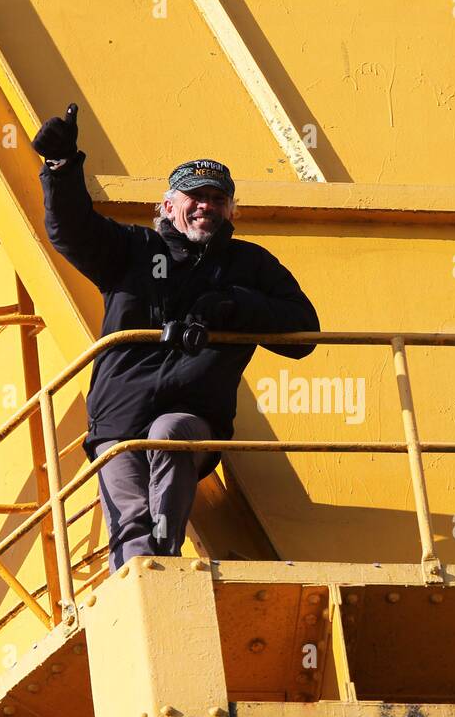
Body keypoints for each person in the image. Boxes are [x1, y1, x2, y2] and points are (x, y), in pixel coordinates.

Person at [32, 104, 319, 571]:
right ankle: (144, 584)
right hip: (119, 418)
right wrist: (61, 166)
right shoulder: (132, 251)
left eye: (216, 198)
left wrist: (234, 305)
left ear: (230, 210)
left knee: (170, 434)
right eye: (193, 196)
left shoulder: (251, 265)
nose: (205, 205)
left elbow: (303, 335)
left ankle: (163, 569)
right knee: (129, 519)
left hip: (192, 415)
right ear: (167, 206)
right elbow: (71, 229)